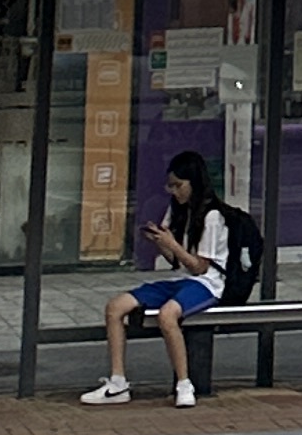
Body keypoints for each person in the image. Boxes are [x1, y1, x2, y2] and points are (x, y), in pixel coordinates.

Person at [82, 153, 229, 406]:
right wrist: (160, 242)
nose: (174, 192)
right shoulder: (177, 209)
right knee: (115, 307)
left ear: (193, 182)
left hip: (207, 283)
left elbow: (199, 267)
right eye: (170, 186)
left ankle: (184, 384)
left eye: (178, 185)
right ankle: (118, 382)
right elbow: (176, 261)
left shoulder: (212, 216)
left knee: (167, 315)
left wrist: (172, 244)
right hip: (180, 278)